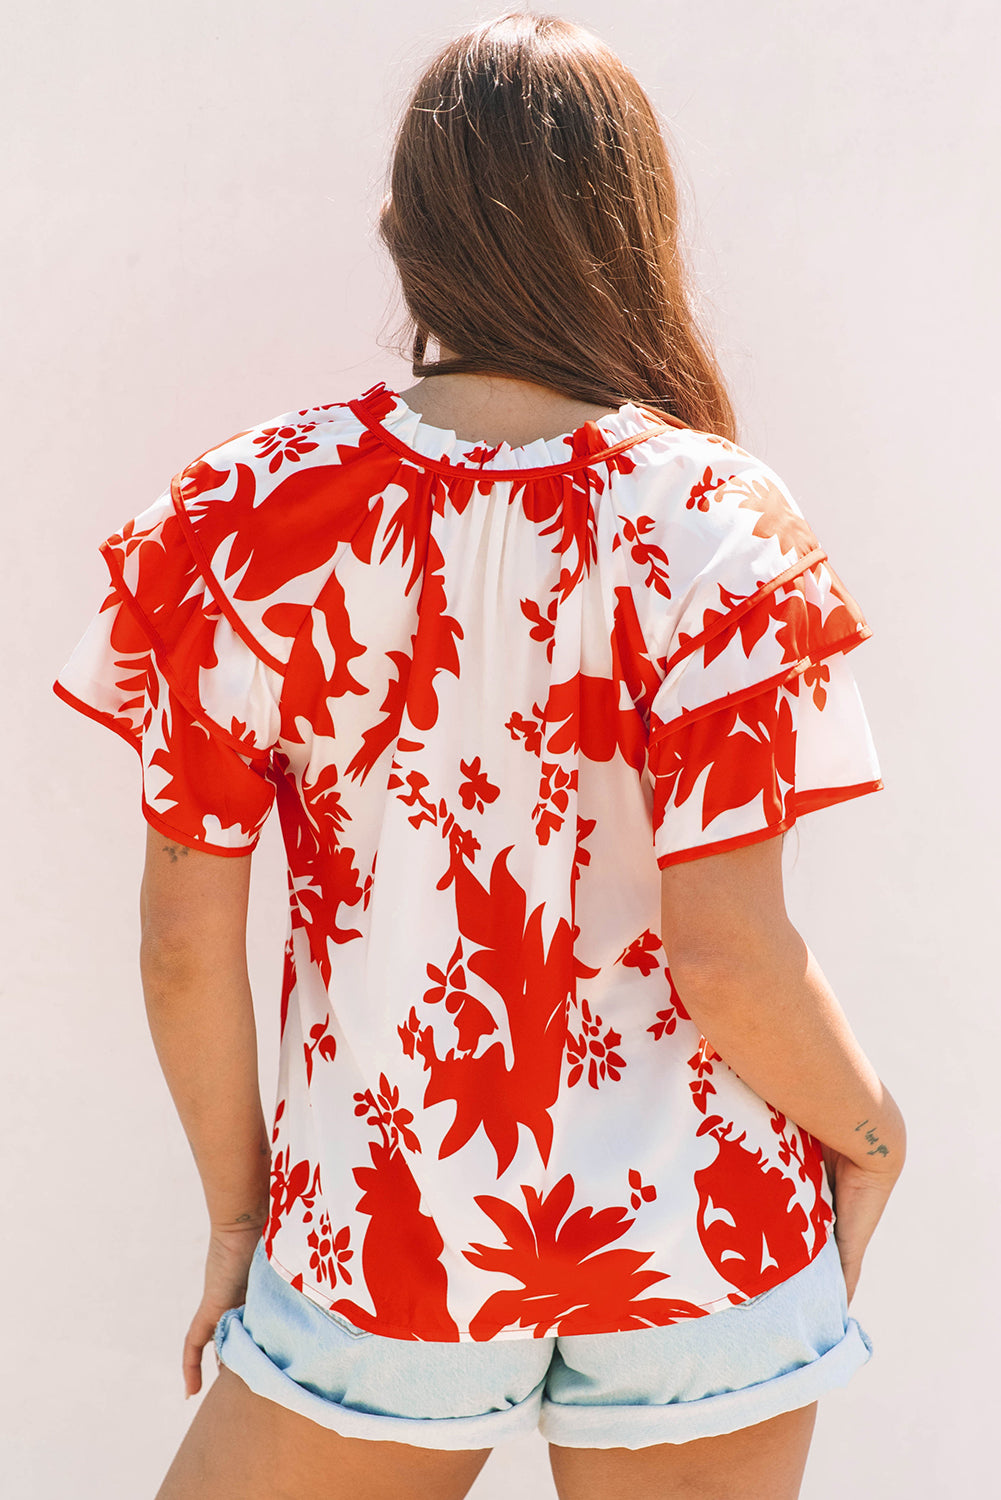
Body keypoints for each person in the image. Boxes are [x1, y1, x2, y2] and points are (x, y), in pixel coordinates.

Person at [52, 10, 905, 1499]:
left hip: (384, 1231)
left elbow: (184, 941)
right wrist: (872, 1135)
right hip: (696, 1236)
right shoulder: (717, 523)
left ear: (409, 234)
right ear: (635, 223)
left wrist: (243, 1223)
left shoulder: (254, 511)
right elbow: (727, 954)